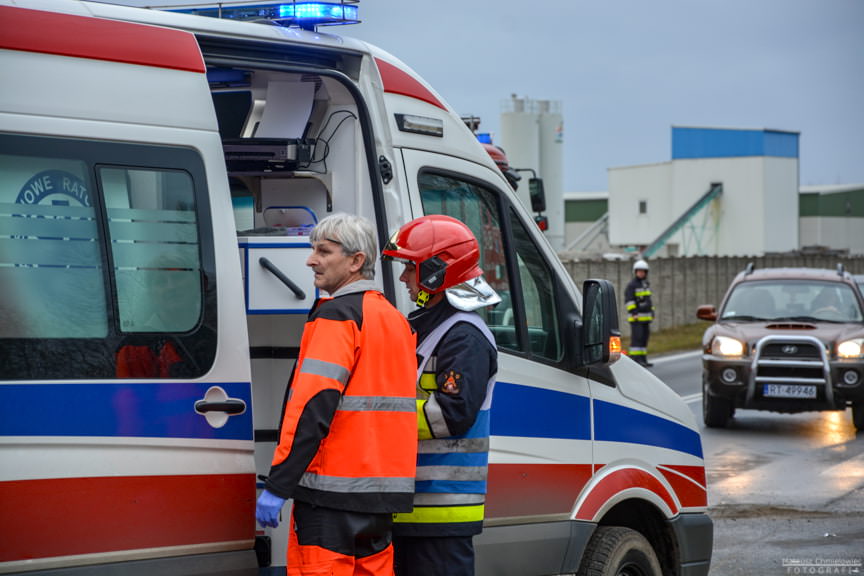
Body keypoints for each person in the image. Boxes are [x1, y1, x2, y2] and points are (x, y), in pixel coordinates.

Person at [255, 213, 418, 576]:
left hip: (329, 499)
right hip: (379, 499)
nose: (311, 259)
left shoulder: (336, 317)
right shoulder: (394, 320)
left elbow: (312, 406)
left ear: (356, 260)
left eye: (323, 251)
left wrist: (279, 484)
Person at [382, 214, 500, 576]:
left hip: (442, 513)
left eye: (410, 268)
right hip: (413, 506)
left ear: (436, 272)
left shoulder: (465, 337)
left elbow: (451, 414)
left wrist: (379, 419)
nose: (404, 278)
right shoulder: (426, 326)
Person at [625, 259, 655, 367]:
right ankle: (635, 360)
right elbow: (629, 301)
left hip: (646, 318)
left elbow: (648, 301)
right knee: (637, 339)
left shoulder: (645, 284)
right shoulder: (632, 285)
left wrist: (652, 311)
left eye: (643, 271)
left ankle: (643, 359)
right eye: (639, 271)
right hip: (636, 318)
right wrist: (634, 312)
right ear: (635, 272)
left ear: (646, 273)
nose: (641, 273)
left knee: (644, 339)